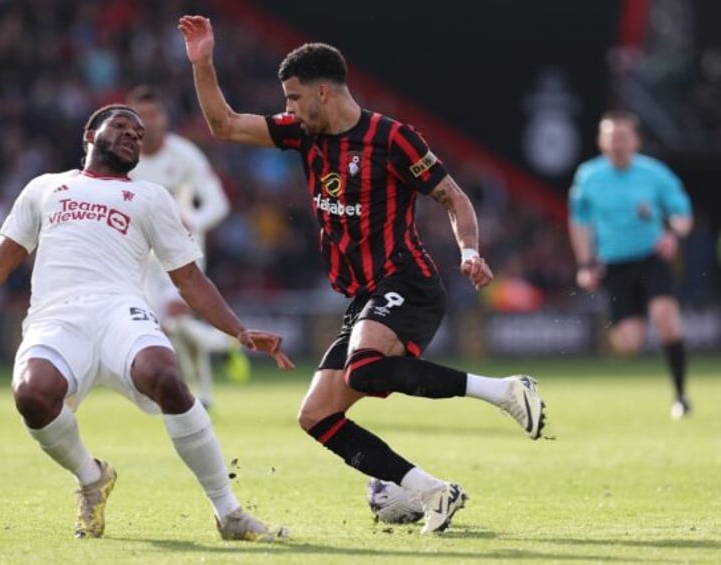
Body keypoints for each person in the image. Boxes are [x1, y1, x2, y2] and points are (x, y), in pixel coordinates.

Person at [177, 15, 546, 535]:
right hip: (363, 297)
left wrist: (469, 250)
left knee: (364, 369)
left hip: (407, 283)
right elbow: (225, 124)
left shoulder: (392, 139)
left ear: (323, 93)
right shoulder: (303, 136)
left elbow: (453, 197)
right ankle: (431, 492)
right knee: (316, 417)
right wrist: (203, 63)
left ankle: (505, 390)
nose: (287, 109)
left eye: (292, 98)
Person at [0, 104, 293, 542]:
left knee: (166, 376)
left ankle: (228, 512)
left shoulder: (151, 198)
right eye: (121, 127)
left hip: (120, 311)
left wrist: (237, 329)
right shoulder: (46, 188)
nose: (133, 135)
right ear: (89, 135)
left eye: (138, 132)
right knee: (32, 395)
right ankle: (91, 477)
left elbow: (189, 279)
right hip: (56, 318)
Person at [126, 84, 250, 409]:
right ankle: (222, 348)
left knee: (171, 319)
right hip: (140, 257)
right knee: (168, 326)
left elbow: (218, 203)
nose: (149, 122)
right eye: (141, 116)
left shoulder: (184, 155)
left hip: (181, 254)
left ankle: (197, 395)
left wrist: (192, 219)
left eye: (154, 115)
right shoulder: (124, 158)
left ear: (165, 118)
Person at [568, 110, 693, 420]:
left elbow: (682, 214)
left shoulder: (655, 173)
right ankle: (644, 318)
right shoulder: (588, 177)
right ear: (601, 140)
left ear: (636, 140)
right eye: (611, 136)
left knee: (666, 320)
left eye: (622, 136)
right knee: (627, 344)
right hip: (614, 265)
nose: (617, 142)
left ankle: (680, 396)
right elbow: (579, 222)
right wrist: (585, 264)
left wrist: (673, 234)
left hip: (651, 258)